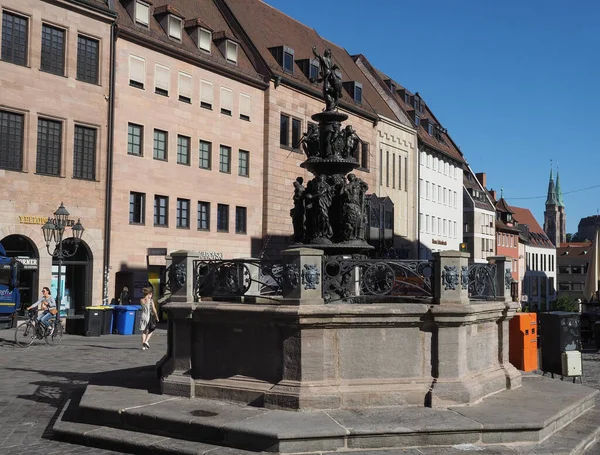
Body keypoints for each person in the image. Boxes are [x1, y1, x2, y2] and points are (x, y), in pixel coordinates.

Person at [140, 286, 159, 350]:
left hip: (143, 316)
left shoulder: (141, 300)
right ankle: (146, 341)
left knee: (144, 331)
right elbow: (154, 309)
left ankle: (143, 346)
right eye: (150, 294)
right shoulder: (150, 301)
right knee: (151, 329)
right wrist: (156, 317)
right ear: (149, 294)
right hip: (148, 317)